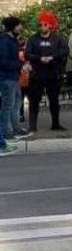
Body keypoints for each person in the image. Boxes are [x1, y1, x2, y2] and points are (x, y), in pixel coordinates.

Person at [25, 11, 68, 133]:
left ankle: (56, 123)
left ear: (50, 25)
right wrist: (39, 58)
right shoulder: (33, 39)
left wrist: (52, 57)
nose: (42, 27)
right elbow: (28, 53)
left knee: (54, 100)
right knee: (34, 101)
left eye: (44, 24)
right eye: (40, 24)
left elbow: (65, 51)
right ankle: (33, 125)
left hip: (53, 74)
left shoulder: (57, 38)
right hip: (37, 75)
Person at [0, 16, 27, 156]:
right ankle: (7, 132)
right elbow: (3, 61)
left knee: (16, 103)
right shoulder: (4, 41)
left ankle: (16, 128)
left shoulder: (12, 40)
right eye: (19, 26)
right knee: (8, 105)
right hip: (6, 77)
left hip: (13, 76)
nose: (20, 28)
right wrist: (20, 65)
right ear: (13, 27)